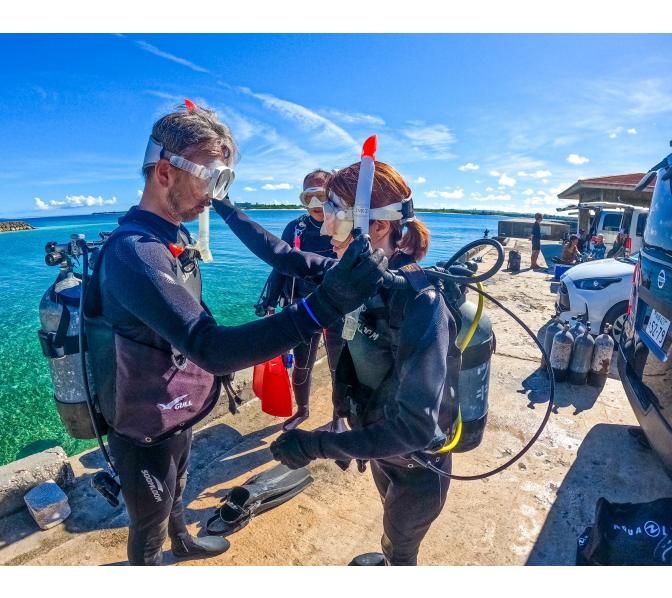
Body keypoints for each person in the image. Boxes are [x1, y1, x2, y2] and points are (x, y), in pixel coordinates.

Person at [86, 102, 387, 566]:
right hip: (141, 422)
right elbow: (212, 348)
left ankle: (182, 542)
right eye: (211, 178)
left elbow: (284, 256)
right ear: (165, 172)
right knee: (148, 519)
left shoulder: (169, 236)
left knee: (178, 484)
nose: (215, 195)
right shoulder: (135, 254)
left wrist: (342, 272)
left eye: (224, 181)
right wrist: (325, 305)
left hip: (172, 405)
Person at [212, 159, 461, 566]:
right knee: (389, 530)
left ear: (377, 226)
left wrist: (316, 446)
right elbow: (283, 255)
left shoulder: (422, 304)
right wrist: (223, 204)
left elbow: (416, 429)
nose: (326, 230)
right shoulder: (357, 278)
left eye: (334, 216)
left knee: (401, 546)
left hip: (418, 468)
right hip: (379, 448)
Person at [256, 169, 344, 430]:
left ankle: (339, 418)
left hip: (338, 307)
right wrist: (269, 302)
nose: (315, 204)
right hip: (304, 306)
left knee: (339, 367)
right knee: (302, 365)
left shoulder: (346, 226)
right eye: (308, 197)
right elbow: (280, 265)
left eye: (321, 196)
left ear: (333, 196)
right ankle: (302, 411)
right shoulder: (296, 228)